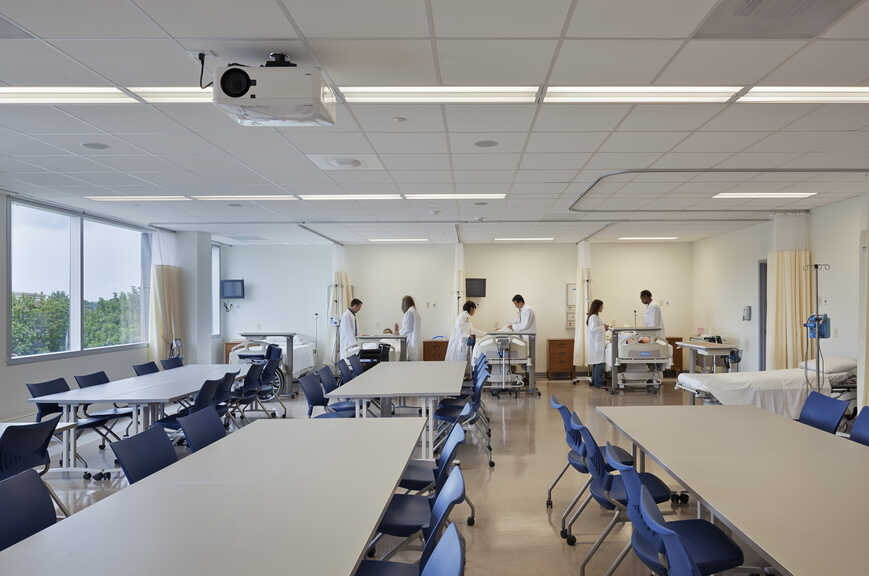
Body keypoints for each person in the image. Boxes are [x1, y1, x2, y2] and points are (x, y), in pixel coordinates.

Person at [586, 299, 608, 388]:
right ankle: (598, 383)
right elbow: (593, 329)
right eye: (601, 306)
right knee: (600, 363)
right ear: (597, 306)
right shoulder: (593, 317)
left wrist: (603, 327)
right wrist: (603, 327)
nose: (602, 308)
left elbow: (596, 328)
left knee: (597, 363)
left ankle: (595, 381)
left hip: (597, 343)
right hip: (596, 344)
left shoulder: (595, 317)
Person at [394, 295, 423, 361]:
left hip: (411, 345)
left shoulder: (409, 312)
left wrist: (397, 333)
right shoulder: (416, 313)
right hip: (416, 343)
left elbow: (406, 330)